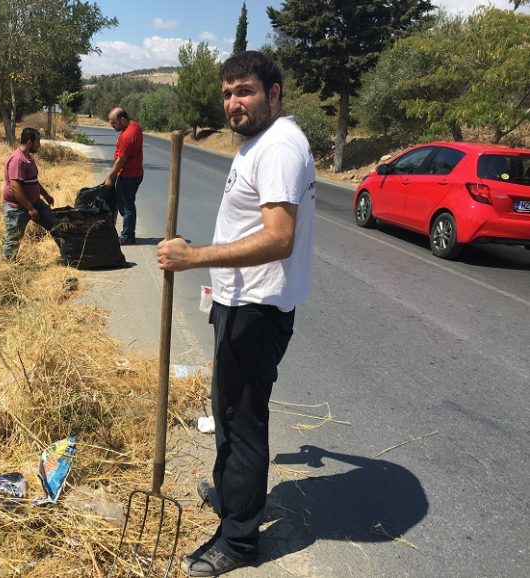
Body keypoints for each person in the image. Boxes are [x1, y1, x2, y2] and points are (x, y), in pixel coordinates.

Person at [157, 50, 316, 577]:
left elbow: (279, 237)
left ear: (273, 93)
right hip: (237, 303)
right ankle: (232, 498)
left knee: (242, 422)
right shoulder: (259, 143)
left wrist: (194, 256)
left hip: (257, 310)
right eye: (227, 93)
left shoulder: (279, 148)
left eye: (244, 91)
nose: (233, 103)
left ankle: (240, 540)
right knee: (225, 410)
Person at [1, 127, 56, 260]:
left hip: (36, 203)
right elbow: (15, 186)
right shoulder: (18, 159)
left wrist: (46, 195)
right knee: (14, 239)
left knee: (56, 225)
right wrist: (30, 209)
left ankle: (69, 255)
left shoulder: (28, 157)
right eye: (38, 142)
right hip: (17, 208)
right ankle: (8, 267)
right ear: (30, 142)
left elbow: (33, 181)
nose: (40, 145)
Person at [104, 107, 143, 245]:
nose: (112, 126)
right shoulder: (135, 126)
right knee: (126, 204)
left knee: (126, 207)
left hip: (128, 175)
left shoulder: (127, 136)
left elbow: (121, 160)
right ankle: (128, 233)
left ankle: (127, 237)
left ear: (122, 119)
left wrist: (110, 177)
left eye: (113, 123)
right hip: (135, 173)